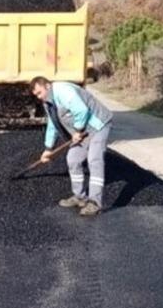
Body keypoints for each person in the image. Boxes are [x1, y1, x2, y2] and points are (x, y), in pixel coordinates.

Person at [30, 76, 113, 217]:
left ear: (47, 86)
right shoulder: (48, 102)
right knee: (73, 159)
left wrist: (78, 130)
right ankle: (79, 197)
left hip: (98, 125)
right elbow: (53, 124)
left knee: (94, 160)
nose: (39, 97)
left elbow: (81, 110)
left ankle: (94, 203)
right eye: (36, 95)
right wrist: (48, 148)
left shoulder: (63, 91)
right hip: (82, 132)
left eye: (39, 92)